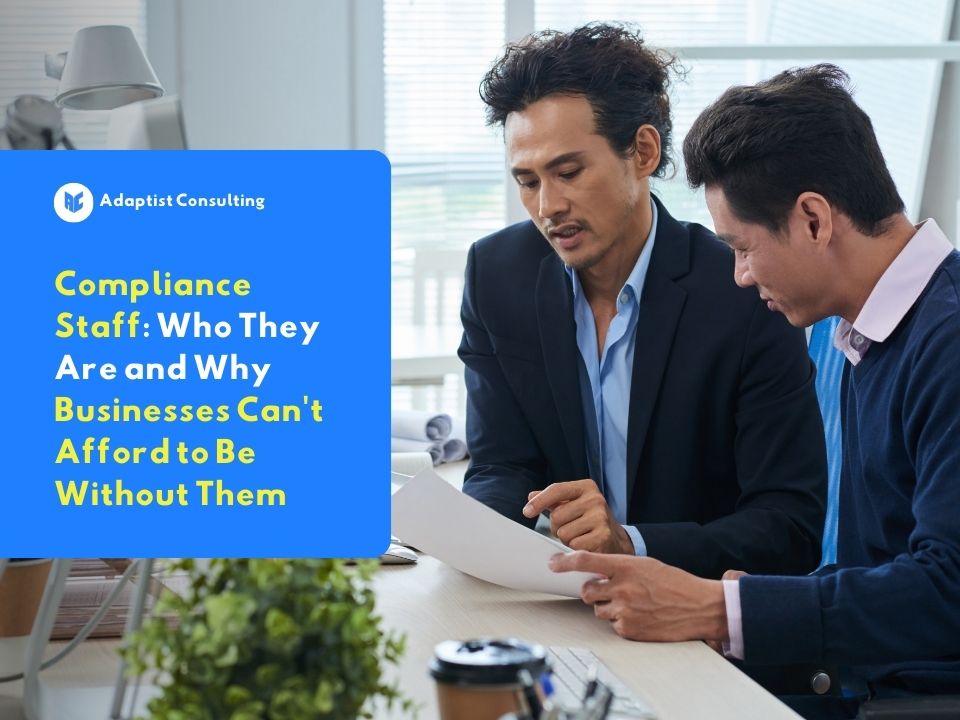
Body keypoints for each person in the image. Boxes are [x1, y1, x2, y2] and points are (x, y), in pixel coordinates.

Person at [550, 63, 960, 718]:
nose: (739, 276)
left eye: (741, 248)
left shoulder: (946, 342)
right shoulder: (868, 332)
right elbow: (884, 561)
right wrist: (748, 599)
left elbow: (948, 590)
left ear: (814, 220)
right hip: (859, 679)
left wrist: (719, 607)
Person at [459, 23, 827, 579]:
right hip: (556, 600)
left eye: (568, 172)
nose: (547, 206)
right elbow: (500, 464)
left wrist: (630, 544)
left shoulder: (744, 291)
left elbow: (789, 527)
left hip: (698, 624)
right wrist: (467, 530)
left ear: (644, 152)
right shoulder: (496, 275)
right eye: (527, 181)